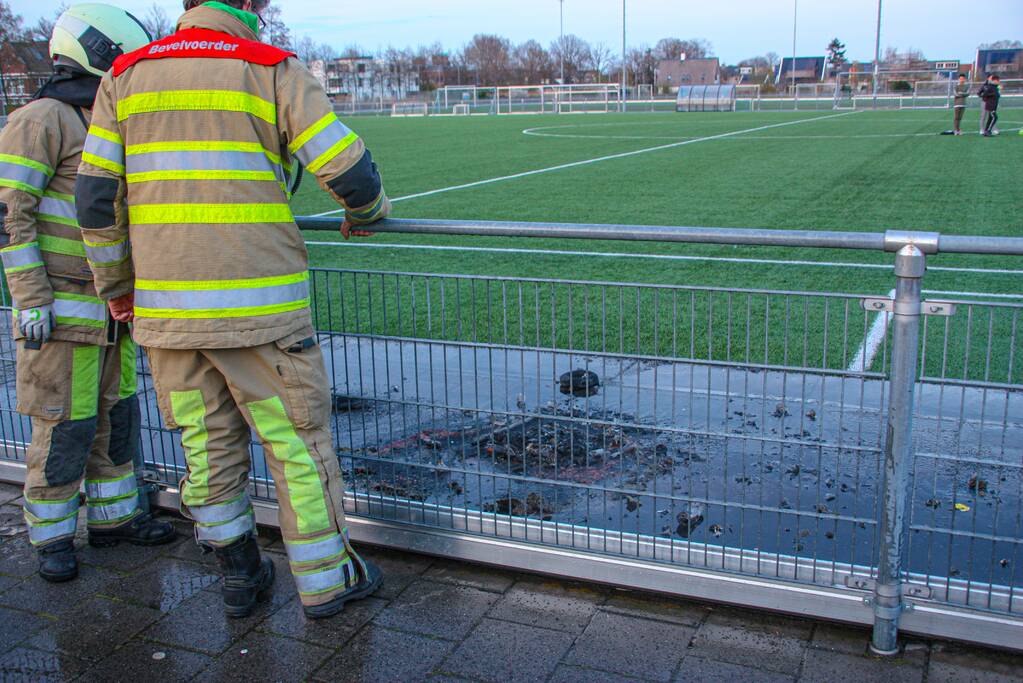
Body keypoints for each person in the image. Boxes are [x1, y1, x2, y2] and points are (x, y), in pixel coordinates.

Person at [76, 0, 390, 619]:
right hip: (261, 316)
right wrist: (367, 214)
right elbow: (347, 167)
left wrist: (115, 285)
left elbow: (95, 198)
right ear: (250, 5)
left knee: (207, 449)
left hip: (166, 317)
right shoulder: (268, 66)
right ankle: (327, 580)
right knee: (295, 445)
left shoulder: (125, 74)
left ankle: (241, 576)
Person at [0, 4, 176, 583]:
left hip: (114, 314)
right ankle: (50, 536)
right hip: (61, 315)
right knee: (64, 426)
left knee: (116, 420)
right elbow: (9, 214)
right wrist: (30, 296)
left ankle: (114, 521)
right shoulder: (41, 118)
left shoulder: (100, 116)